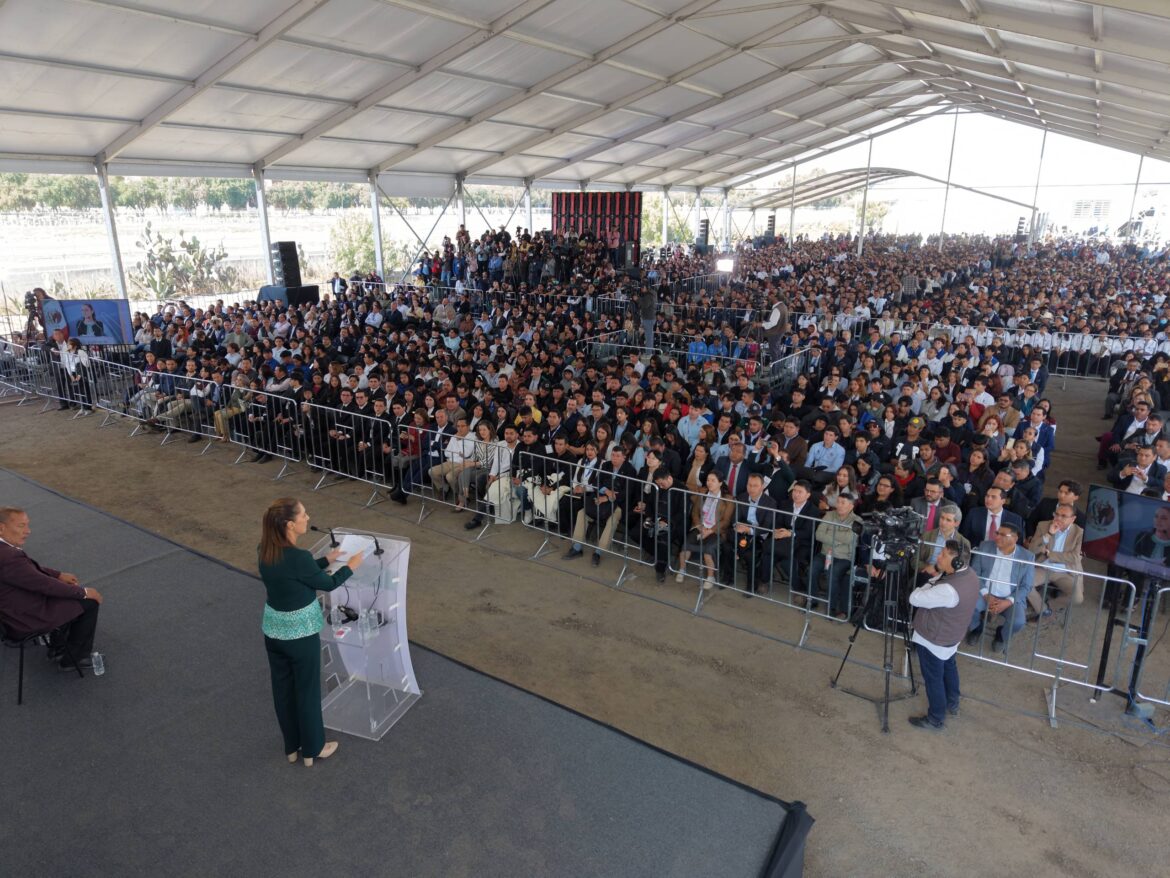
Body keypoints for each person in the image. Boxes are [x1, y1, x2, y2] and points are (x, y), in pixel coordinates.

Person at [257, 498, 365, 767]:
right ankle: (314, 748)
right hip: (300, 636)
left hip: (274, 632)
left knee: (282, 690)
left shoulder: (265, 550)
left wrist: (325, 559)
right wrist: (351, 565)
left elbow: (294, 574)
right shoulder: (298, 558)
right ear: (290, 524)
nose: (308, 517)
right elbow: (328, 584)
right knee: (306, 690)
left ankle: (292, 747)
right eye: (304, 515)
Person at [0, 506, 103, 671]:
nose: (28, 531)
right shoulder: (8, 557)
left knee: (64, 593)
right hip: (23, 619)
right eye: (21, 526)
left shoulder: (6, 552)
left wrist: (58, 574)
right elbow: (43, 584)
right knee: (89, 602)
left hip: (9, 612)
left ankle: (58, 648)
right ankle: (73, 658)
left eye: (27, 525)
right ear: (1, 528)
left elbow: (27, 571)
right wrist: (83, 593)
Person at [907, 540, 981, 731]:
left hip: (934, 639)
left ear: (956, 561)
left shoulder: (947, 589)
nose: (938, 557)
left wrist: (929, 581)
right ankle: (952, 702)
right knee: (949, 667)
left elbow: (914, 598)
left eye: (943, 554)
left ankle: (935, 718)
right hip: (952, 636)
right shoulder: (970, 575)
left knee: (933, 678)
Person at [967, 523, 1034, 654]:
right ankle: (977, 628)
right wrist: (986, 594)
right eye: (997, 533)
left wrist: (1008, 601)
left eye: (1003, 535)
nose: (997, 537)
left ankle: (1001, 636)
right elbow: (974, 572)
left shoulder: (1027, 557)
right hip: (984, 592)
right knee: (970, 606)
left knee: (1019, 621)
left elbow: (1027, 586)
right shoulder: (985, 546)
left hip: (1009, 597)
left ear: (1015, 538)